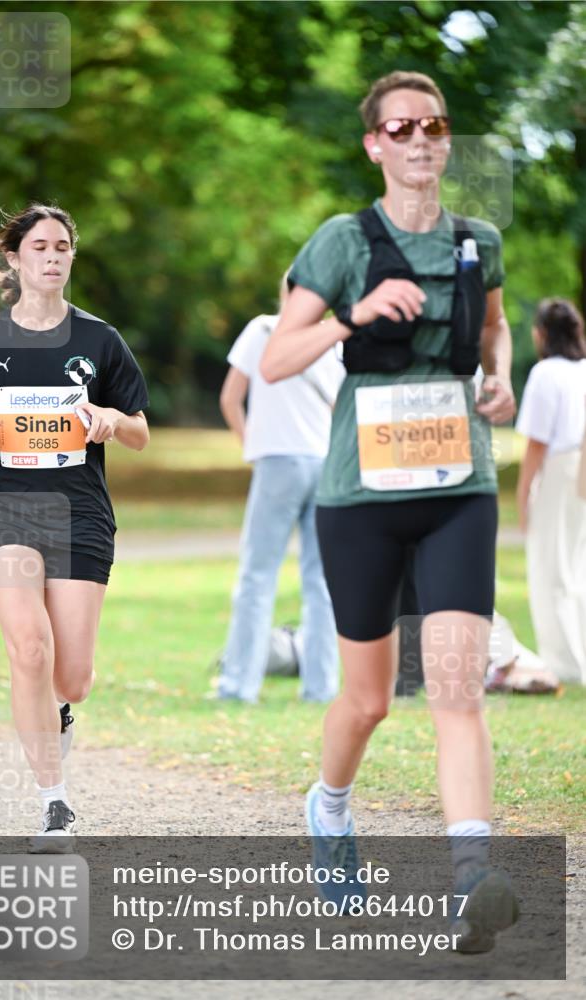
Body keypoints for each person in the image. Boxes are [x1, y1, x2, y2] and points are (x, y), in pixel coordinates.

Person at [261, 71, 519, 952]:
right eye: (400, 127)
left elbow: (492, 329)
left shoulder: (477, 241)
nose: (419, 140)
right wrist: (351, 317)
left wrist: (501, 380)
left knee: (455, 690)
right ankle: (328, 808)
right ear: (374, 144)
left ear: (446, 141)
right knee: (367, 702)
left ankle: (471, 881)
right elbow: (276, 359)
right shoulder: (342, 240)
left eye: (434, 126)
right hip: (360, 497)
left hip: (458, 490)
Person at [0, 203, 149, 843]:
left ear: (70, 258)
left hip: (80, 510)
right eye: (40, 247)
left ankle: (56, 712)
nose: (52, 257)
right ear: (15, 258)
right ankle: (55, 803)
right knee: (29, 646)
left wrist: (111, 420)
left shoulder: (99, 340)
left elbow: (139, 432)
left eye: (62, 247)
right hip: (4, 505)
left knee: (71, 679)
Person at [218, 276, 344, 703]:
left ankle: (239, 686)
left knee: (257, 576)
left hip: (278, 460)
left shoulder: (263, 329)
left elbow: (230, 398)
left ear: (285, 291)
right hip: (326, 463)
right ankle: (321, 687)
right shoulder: (333, 340)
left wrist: (251, 445)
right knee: (323, 582)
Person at [515, 298, 586, 684]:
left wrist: (524, 495)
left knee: (550, 569)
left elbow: (536, 443)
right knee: (576, 566)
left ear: (542, 334)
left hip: (559, 470)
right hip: (583, 467)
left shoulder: (546, 374)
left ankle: (565, 664)